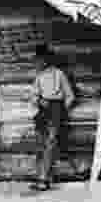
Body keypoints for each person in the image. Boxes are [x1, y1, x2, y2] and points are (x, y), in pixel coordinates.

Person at [30, 45, 75, 191]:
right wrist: (38, 101)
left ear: (46, 59)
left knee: (51, 144)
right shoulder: (39, 76)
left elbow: (70, 96)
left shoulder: (59, 74)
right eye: (37, 60)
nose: (38, 62)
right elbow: (34, 96)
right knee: (40, 144)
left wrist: (61, 110)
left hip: (56, 110)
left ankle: (43, 179)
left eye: (40, 59)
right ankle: (42, 177)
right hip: (43, 111)